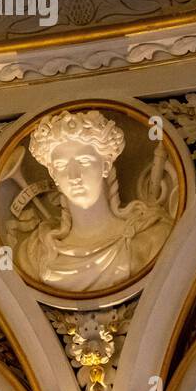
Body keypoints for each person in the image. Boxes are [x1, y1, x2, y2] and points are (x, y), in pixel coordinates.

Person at [16, 109, 172, 293]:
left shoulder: (151, 236)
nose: (74, 176)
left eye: (84, 161)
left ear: (105, 165)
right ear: (52, 173)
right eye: (61, 165)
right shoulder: (35, 253)